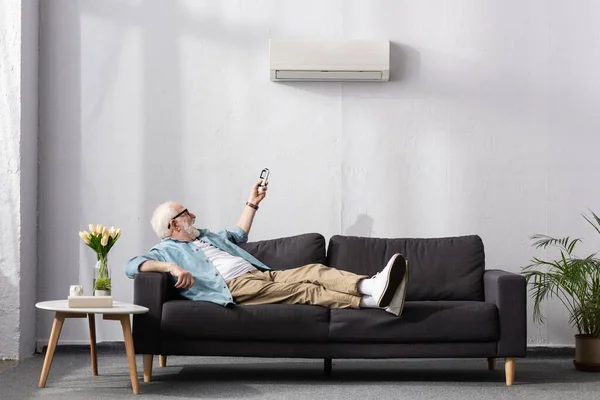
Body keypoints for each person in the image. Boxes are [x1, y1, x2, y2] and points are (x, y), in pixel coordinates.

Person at [125, 179, 409, 316]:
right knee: (304, 290)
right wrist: (171, 267)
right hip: (234, 287)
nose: (193, 215)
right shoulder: (167, 250)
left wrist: (253, 203)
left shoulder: (207, 236)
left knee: (314, 270)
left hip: (260, 275)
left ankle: (372, 290)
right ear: (174, 225)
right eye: (186, 213)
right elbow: (131, 265)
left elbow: (237, 234)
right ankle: (373, 297)